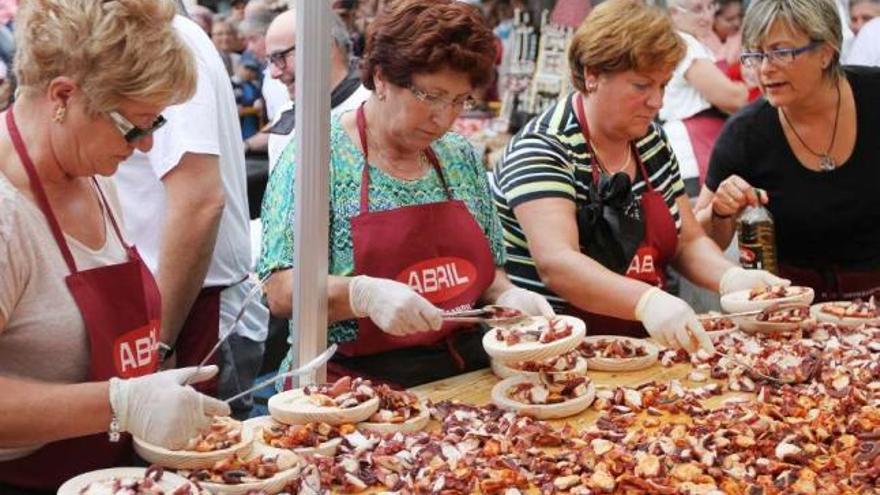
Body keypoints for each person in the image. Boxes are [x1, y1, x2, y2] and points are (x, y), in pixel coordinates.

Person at [259, 0, 553, 388]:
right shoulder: (316, 155)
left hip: (459, 373)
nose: (444, 118)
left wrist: (511, 296)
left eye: (459, 101)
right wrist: (359, 295)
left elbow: (489, 274)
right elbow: (280, 290)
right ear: (381, 79)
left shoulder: (459, 156)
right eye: (430, 96)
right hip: (348, 386)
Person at [0, 1, 229, 492]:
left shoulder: (92, 172)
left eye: (157, 125)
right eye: (136, 125)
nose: (145, 147)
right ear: (64, 96)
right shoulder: (7, 213)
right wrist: (121, 403)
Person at [491, 0, 784, 353]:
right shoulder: (545, 148)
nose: (656, 101)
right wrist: (647, 302)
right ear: (592, 75)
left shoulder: (652, 141)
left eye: (663, 85)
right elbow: (558, 263)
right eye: (642, 85)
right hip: (560, 352)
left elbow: (687, 240)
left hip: (641, 347)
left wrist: (731, 278)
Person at [114, 10, 269, 418]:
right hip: (174, 305)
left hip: (192, 310)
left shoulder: (161, 39)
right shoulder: (155, 34)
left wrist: (159, 344)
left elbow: (199, 202)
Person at [696, 0, 880, 302]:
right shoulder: (746, 133)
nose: (766, 69)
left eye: (782, 52)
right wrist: (720, 211)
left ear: (826, 51)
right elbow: (699, 243)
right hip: (792, 309)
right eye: (756, 55)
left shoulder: (874, 97)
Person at [263, 8, 371, 172]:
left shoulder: (374, 110)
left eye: (280, 57)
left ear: (324, 46)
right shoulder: (285, 117)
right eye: (270, 60)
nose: (274, 73)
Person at [663, 0, 749, 190]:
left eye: (709, 7)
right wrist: (747, 86)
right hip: (692, 144)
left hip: (704, 139)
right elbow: (732, 98)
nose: (706, 16)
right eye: (697, 9)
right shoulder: (685, 45)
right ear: (674, 13)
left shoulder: (696, 43)